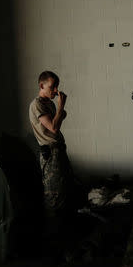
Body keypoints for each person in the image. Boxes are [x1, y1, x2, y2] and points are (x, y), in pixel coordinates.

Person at [29, 71, 82, 253]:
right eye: (52, 87)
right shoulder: (36, 105)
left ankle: (66, 242)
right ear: (41, 86)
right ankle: (53, 249)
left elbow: (57, 122)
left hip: (58, 152)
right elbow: (53, 127)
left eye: (56, 86)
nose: (55, 90)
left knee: (66, 192)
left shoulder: (49, 104)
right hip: (50, 156)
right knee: (54, 198)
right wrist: (61, 107)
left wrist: (59, 109)